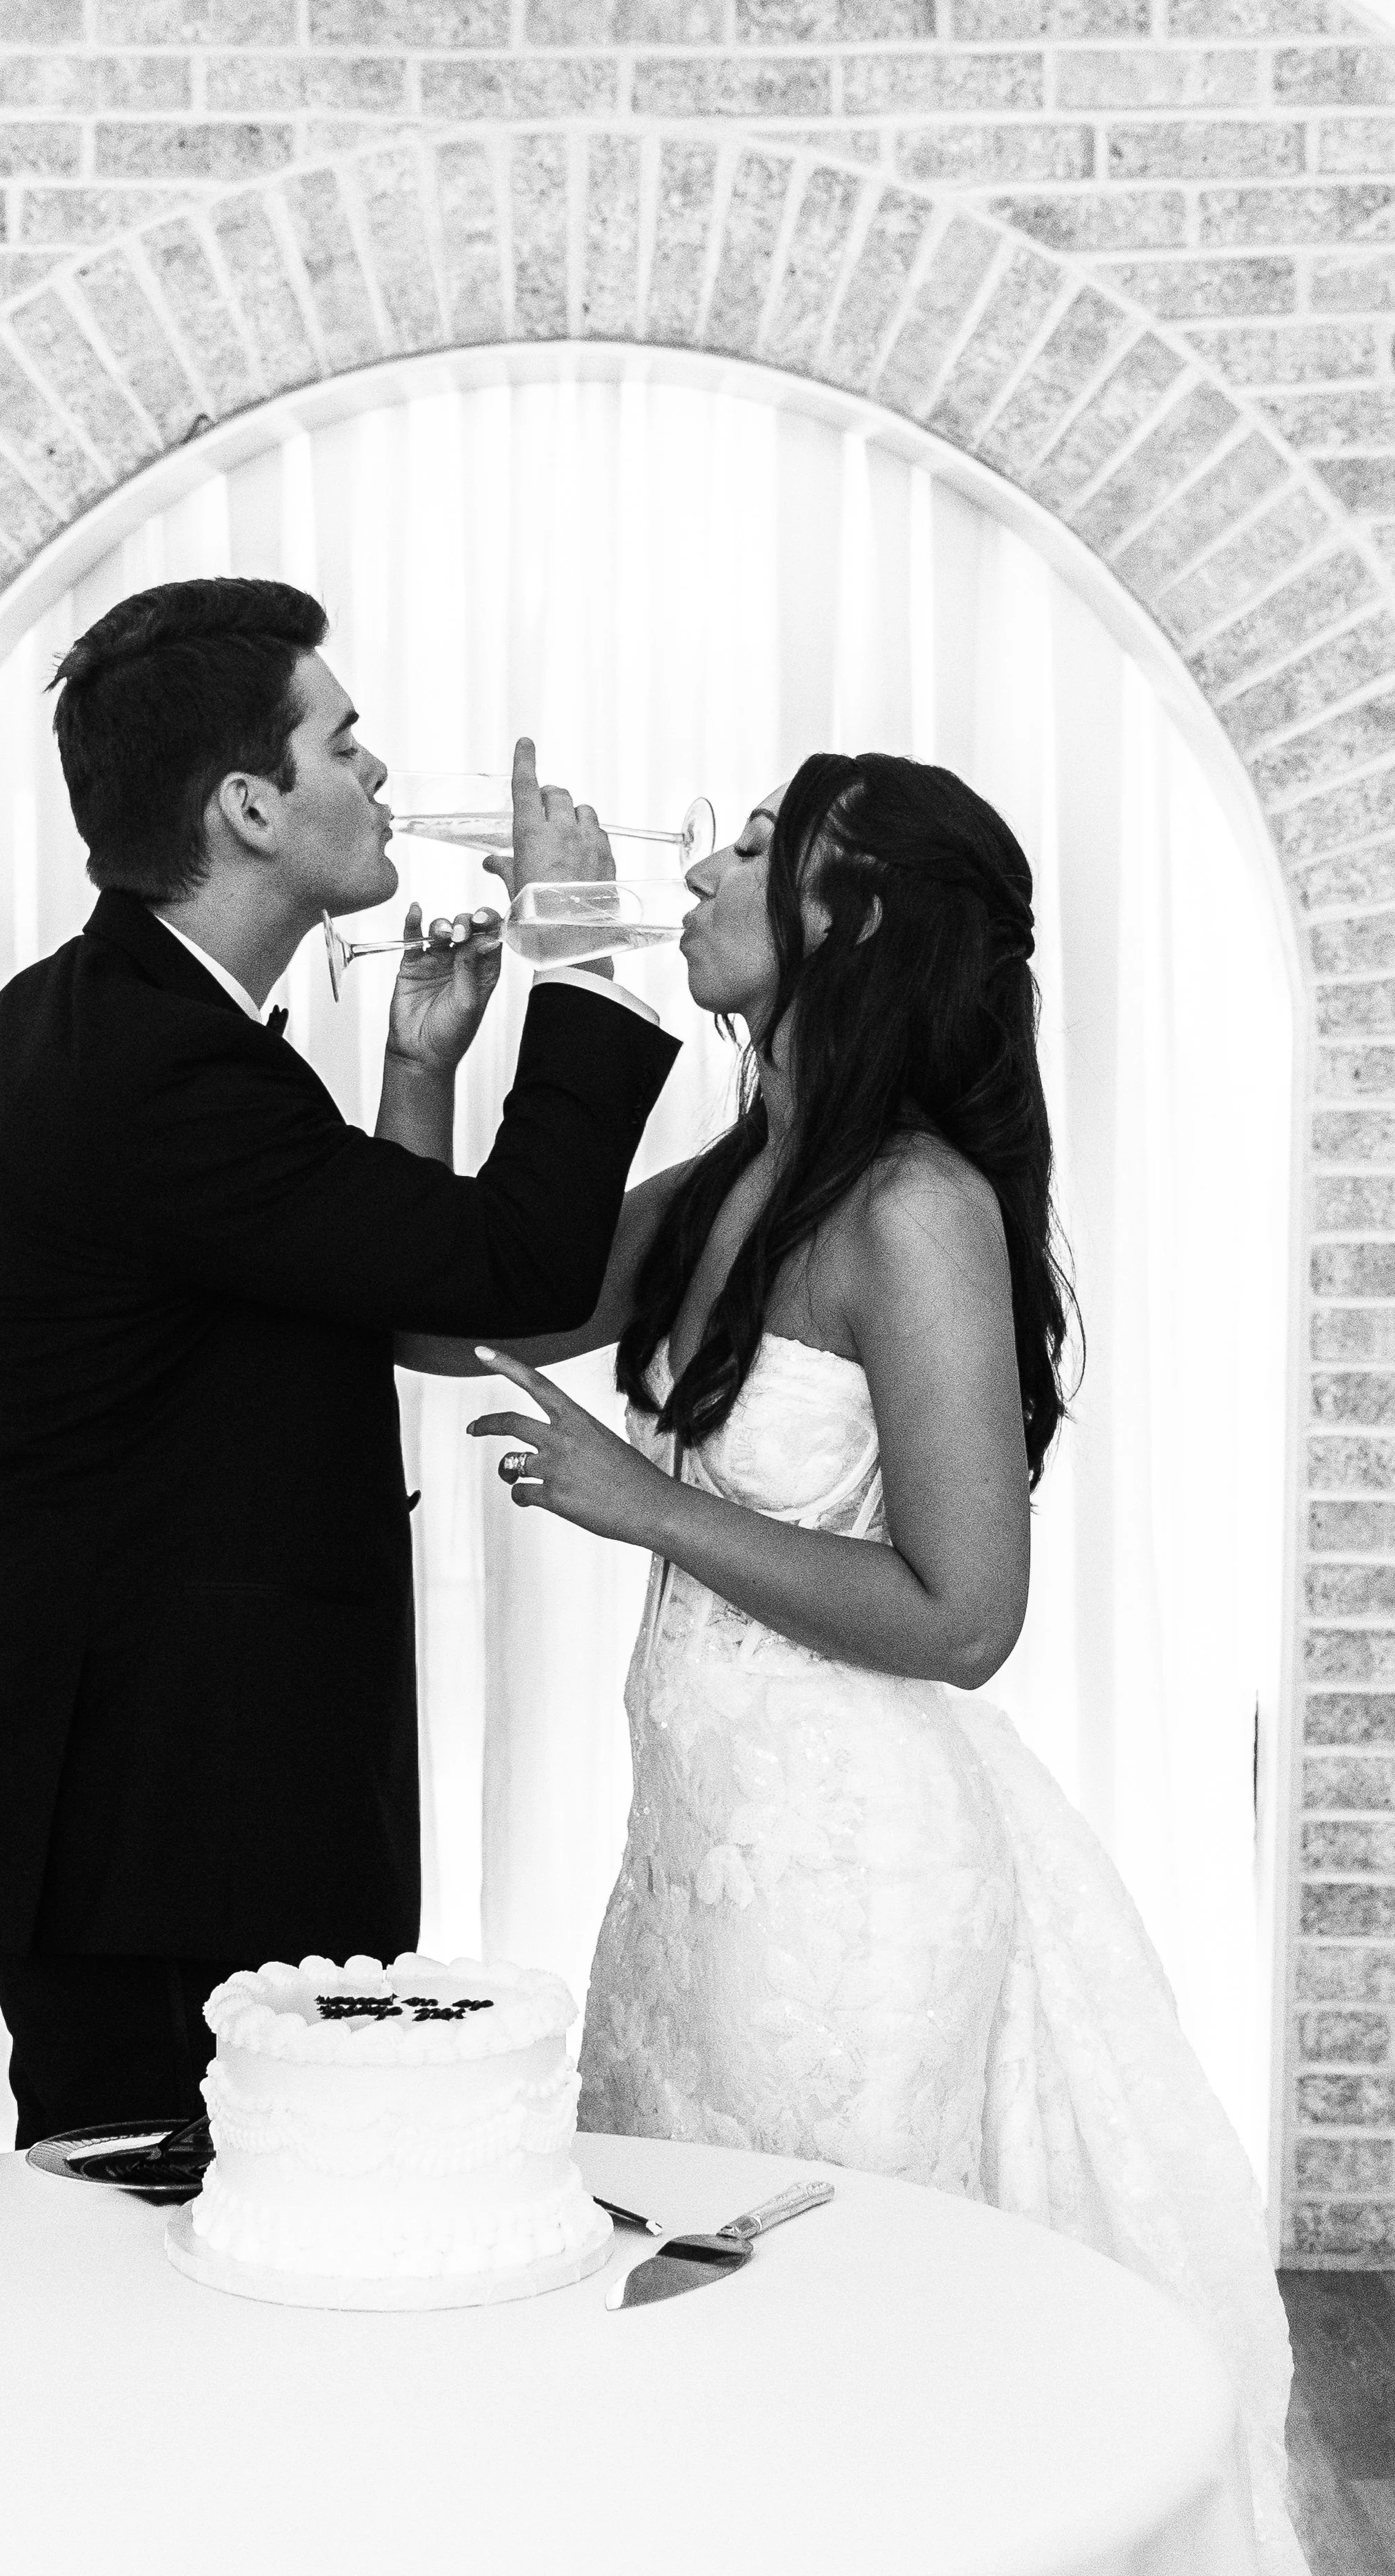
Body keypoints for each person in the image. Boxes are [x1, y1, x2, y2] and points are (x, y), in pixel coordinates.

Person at [403, 751, 1305, 2572]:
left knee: (835, 2356)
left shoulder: (914, 1208)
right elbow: (442, 1308)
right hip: (696, 1869)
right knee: (693, 2341)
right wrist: (427, 1054)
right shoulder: (743, 1175)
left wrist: (637, 1505)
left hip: (852, 1894)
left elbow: (964, 1614)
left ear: (854, 915)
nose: (708, 869)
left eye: (757, 846)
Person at [0, 575, 679, 2146]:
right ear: (251, 805)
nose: (379, 773)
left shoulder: (103, 1026)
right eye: (345, 741)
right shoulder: (158, 1075)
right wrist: (580, 945)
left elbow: (379, 1294)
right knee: (169, 2280)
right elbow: (511, 1269)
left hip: (140, 1808)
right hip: (156, 1834)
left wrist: (414, 1067)